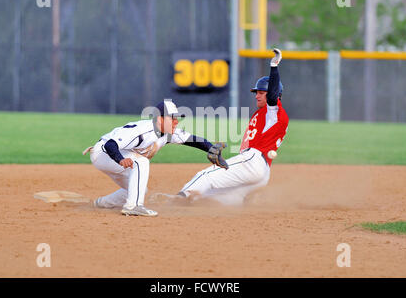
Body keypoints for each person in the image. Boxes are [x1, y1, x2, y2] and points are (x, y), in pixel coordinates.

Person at [159, 48, 289, 206]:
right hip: (261, 173)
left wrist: (274, 66)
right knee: (219, 198)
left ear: (273, 94)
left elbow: (274, 95)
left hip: (253, 161)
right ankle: (205, 202)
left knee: (206, 175)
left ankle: (180, 198)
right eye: (257, 92)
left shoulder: (274, 112)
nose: (257, 95)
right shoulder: (265, 115)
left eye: (261, 92)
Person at [83, 99, 228, 217]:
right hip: (103, 153)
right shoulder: (142, 131)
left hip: (118, 158)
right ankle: (133, 206)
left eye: (177, 118)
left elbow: (192, 139)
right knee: (141, 161)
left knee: (138, 188)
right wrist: (120, 159)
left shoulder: (168, 133)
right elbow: (110, 144)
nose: (176, 122)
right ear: (160, 119)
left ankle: (101, 203)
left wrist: (210, 148)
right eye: (172, 118)